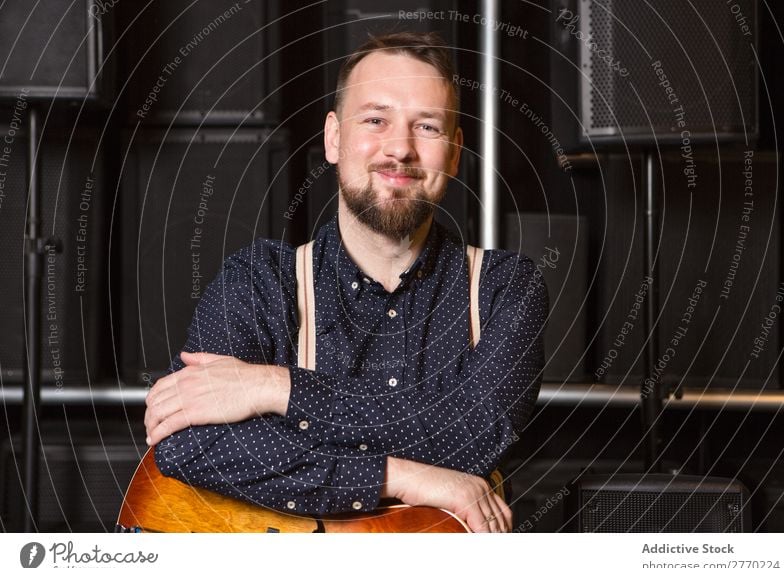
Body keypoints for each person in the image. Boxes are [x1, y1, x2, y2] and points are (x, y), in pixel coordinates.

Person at [143, 31, 547, 533]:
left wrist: (276, 387)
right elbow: (189, 443)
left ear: (456, 152)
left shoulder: (505, 289)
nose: (400, 148)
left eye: (427, 127)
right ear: (334, 138)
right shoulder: (259, 283)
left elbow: (471, 434)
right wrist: (401, 477)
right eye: (375, 120)